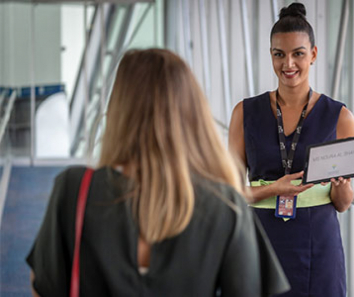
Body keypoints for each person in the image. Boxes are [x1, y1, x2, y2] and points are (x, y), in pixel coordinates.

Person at [26, 49, 290, 297]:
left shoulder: (74, 190)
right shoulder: (225, 205)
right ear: (191, 115)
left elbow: (44, 288)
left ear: (120, 111)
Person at [228, 3, 354, 297]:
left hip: (318, 243)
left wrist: (341, 187)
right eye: (279, 54)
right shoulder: (244, 113)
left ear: (313, 54)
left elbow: (343, 203)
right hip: (260, 238)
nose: (288, 64)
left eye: (298, 53)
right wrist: (274, 189)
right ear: (270, 55)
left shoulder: (340, 116)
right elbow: (231, 191)